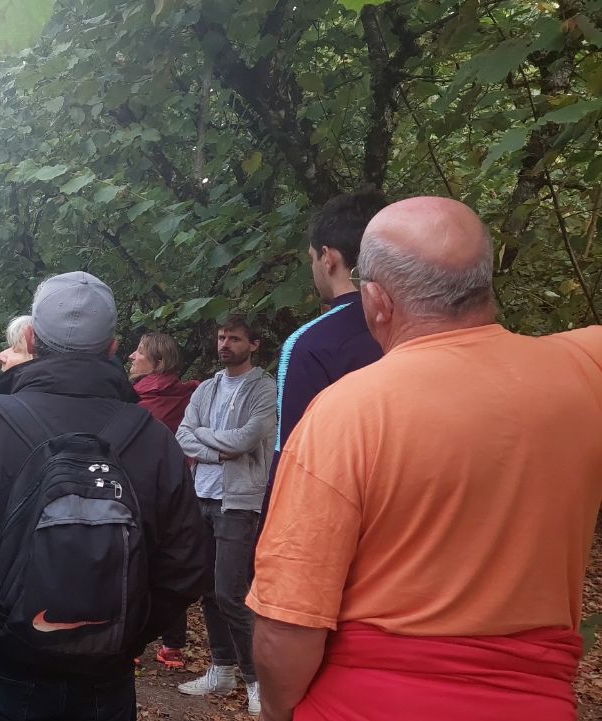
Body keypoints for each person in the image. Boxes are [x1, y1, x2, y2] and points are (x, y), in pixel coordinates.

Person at [250, 197, 602, 721]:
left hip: (366, 704)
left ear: (376, 300)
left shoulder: (345, 414)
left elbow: (287, 626)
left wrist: (280, 712)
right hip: (537, 704)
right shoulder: (584, 371)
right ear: (485, 283)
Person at [0, 272, 208, 721]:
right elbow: (187, 564)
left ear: (30, 337)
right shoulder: (152, 438)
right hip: (106, 676)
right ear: (113, 347)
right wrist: (123, 633)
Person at [174, 316, 277, 714]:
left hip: (239, 501)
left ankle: (258, 681)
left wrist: (204, 439)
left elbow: (248, 438)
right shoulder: (208, 387)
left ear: (252, 344)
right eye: (220, 337)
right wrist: (218, 449)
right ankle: (221, 669)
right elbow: (184, 433)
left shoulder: (264, 388)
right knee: (206, 589)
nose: (225, 344)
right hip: (201, 495)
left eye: (234, 338)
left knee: (231, 593)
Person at [265, 190, 386, 514]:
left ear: (327, 257)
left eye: (311, 259)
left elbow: (294, 461)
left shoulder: (311, 346)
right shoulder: (422, 329)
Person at [127, 330, 199, 669]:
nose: (132, 356)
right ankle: (172, 646)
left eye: (139, 352)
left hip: (142, 488)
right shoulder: (188, 393)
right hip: (175, 487)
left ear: (157, 362)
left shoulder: (138, 399)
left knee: (138, 560)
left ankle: (135, 642)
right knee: (167, 561)